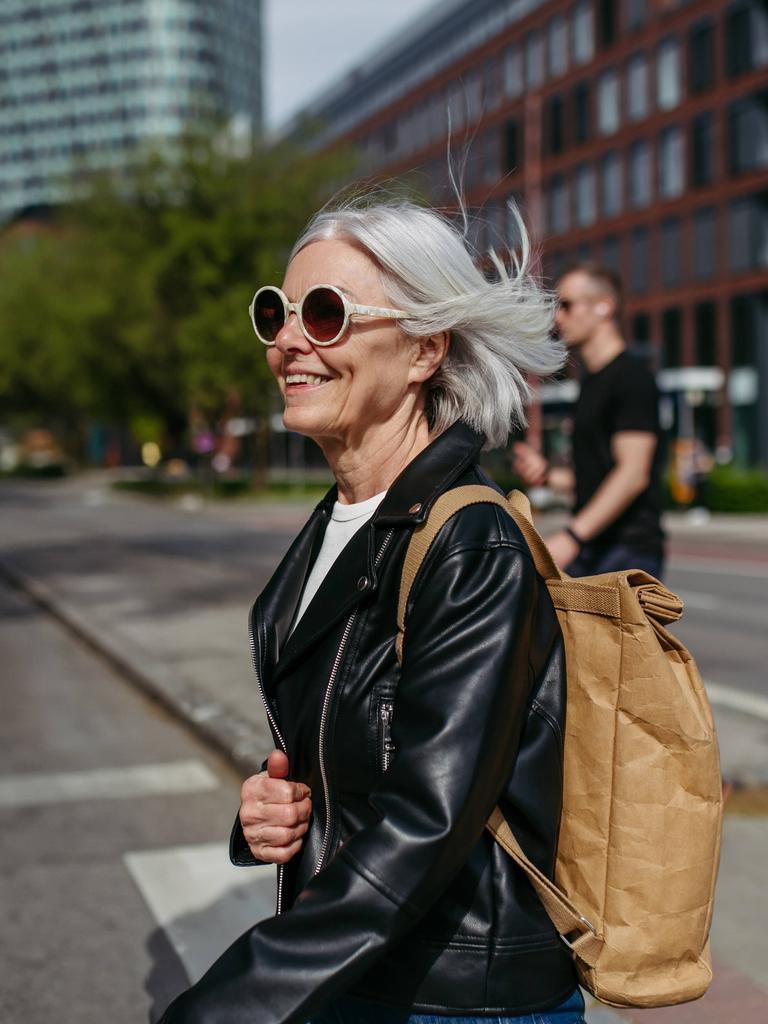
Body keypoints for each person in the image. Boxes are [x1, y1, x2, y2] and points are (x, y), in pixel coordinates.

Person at [159, 200, 586, 1024]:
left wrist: (232, 1003)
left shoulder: (471, 543)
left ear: (426, 348)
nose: (289, 341)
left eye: (325, 314)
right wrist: (267, 813)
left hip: (457, 1002)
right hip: (366, 972)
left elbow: (428, 822)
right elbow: (364, 739)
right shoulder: (338, 523)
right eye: (276, 313)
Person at [513, 263, 665, 578]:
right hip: (595, 548)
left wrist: (572, 537)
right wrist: (547, 477)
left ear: (604, 307)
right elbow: (597, 474)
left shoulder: (632, 378)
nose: (558, 317)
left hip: (628, 550)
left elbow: (632, 473)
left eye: (567, 305)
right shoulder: (591, 383)